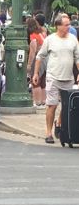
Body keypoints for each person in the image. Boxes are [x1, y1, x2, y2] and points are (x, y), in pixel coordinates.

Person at [33, 13, 79, 144]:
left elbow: (78, 58)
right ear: (58, 26)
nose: (68, 27)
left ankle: (58, 123)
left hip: (68, 77)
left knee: (66, 106)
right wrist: (36, 73)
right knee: (51, 105)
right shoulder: (50, 39)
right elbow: (39, 57)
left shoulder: (73, 39)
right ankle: (48, 132)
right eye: (66, 25)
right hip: (53, 77)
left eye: (69, 24)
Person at [26, 17, 46, 108]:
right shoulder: (40, 33)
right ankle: (43, 101)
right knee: (42, 82)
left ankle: (37, 102)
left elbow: (32, 51)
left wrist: (29, 64)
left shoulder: (33, 35)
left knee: (35, 81)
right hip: (45, 59)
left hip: (37, 58)